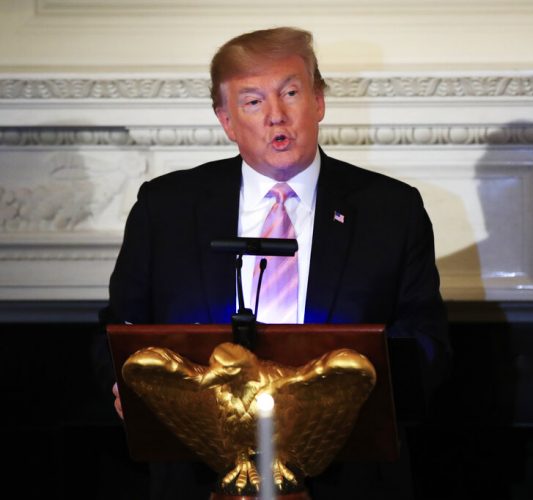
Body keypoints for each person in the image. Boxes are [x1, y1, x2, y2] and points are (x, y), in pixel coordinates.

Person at [101, 27, 450, 499]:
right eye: (252, 102)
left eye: (290, 93)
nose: (276, 116)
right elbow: (118, 327)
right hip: (198, 475)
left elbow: (428, 343)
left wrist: (359, 392)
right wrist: (122, 383)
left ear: (319, 102)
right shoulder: (166, 208)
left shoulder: (391, 210)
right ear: (226, 120)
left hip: (349, 477)